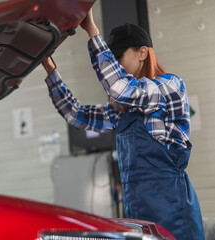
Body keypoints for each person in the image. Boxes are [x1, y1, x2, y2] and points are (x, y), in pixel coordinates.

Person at [42, 9, 205, 240]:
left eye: (118, 57)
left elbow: (120, 88)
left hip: (174, 215)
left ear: (142, 53)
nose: (115, 64)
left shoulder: (170, 87)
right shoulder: (124, 110)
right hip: (137, 217)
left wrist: (92, 31)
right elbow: (76, 115)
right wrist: (51, 72)